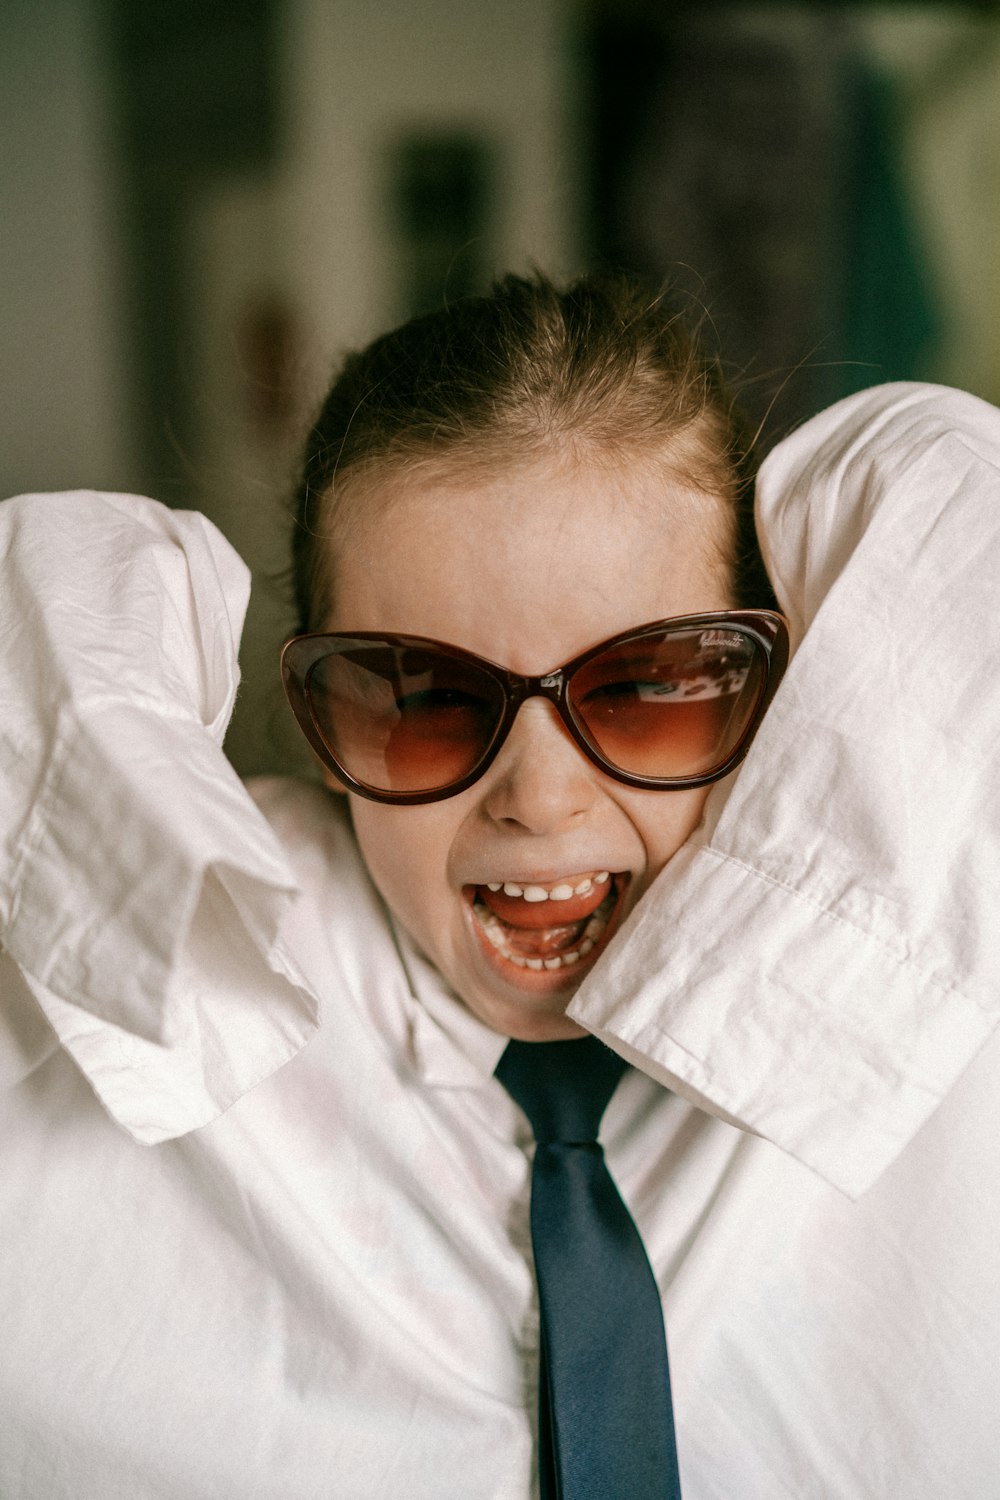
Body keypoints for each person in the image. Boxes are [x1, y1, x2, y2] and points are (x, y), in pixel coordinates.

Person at [0, 273, 997, 1498]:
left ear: (779, 685)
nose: (540, 795)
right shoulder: (161, 987)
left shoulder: (945, 936)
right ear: (313, 715)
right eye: (425, 699)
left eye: (645, 685)